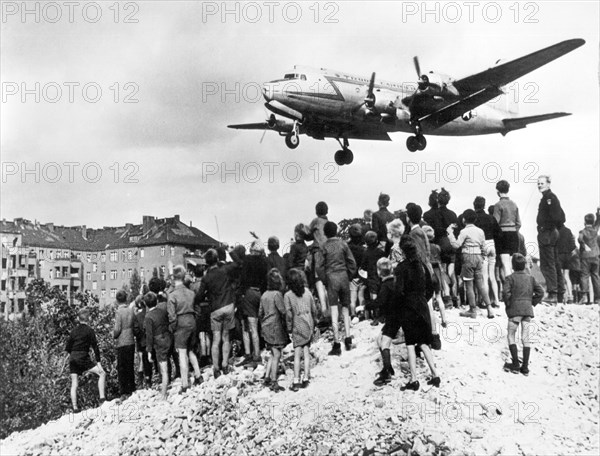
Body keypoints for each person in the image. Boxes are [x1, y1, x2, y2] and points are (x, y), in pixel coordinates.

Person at [395, 236, 439, 391]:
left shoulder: (401, 268)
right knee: (424, 342)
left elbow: (399, 291)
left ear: (402, 251)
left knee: (410, 343)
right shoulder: (422, 266)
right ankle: (435, 375)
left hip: (408, 306)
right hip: (422, 305)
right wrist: (422, 299)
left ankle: (413, 379)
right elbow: (431, 287)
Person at [196, 248, 239, 379]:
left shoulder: (206, 278)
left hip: (215, 309)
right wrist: (229, 250)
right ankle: (225, 364)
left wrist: (203, 300)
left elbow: (198, 296)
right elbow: (238, 263)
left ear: (206, 262)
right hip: (228, 305)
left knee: (216, 339)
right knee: (226, 338)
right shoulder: (225, 270)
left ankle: (216, 368)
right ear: (217, 259)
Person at [315, 221, 357, 354]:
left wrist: (325, 279)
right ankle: (348, 338)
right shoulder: (343, 244)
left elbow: (319, 266)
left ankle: (337, 343)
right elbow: (352, 262)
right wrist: (349, 275)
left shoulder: (323, 246)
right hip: (343, 276)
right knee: (345, 308)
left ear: (325, 233)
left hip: (331, 278)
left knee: (334, 309)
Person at [447, 210, 494, 319]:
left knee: (469, 285)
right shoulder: (480, 231)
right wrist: (482, 257)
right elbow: (483, 246)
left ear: (464, 219)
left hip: (468, 257)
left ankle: (472, 310)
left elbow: (456, 245)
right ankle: (489, 308)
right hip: (478, 257)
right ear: (475, 219)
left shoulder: (464, 231)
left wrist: (450, 234)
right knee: (480, 284)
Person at [502, 254, 544, 376]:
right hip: (527, 310)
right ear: (524, 265)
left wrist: (509, 304)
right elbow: (541, 292)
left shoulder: (510, 278)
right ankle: (525, 367)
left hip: (515, 310)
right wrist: (531, 302)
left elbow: (506, 293)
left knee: (511, 335)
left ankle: (515, 364)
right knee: (525, 337)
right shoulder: (530, 278)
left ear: (513, 265)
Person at [168, 265, 202, 392]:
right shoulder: (191, 292)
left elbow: (171, 316)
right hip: (192, 321)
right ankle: (198, 376)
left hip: (180, 323)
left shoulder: (172, 295)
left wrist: (173, 327)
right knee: (191, 350)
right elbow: (198, 309)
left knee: (182, 353)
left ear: (173, 278)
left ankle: (185, 383)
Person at [66, 308, 106, 412]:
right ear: (89, 318)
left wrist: (73, 357)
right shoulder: (90, 330)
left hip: (73, 357)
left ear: (78, 319)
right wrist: (99, 364)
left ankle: (75, 408)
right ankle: (102, 399)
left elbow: (68, 348)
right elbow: (95, 348)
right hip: (83, 356)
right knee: (102, 374)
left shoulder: (73, 331)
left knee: (74, 383)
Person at [285, 269, 318, 391]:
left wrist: (289, 329)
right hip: (308, 322)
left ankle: (296, 379)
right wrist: (315, 322)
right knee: (306, 352)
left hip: (297, 325)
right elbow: (314, 309)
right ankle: (306, 377)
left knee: (297, 354)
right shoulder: (308, 292)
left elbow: (288, 314)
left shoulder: (288, 295)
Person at [238, 240, 269, 366]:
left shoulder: (247, 260)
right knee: (261, 322)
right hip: (260, 293)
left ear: (251, 249)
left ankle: (255, 355)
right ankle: (262, 350)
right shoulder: (264, 262)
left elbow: (243, 278)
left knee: (252, 326)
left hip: (250, 292)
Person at [536, 175, 566, 303]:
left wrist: (546, 227)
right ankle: (559, 293)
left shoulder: (549, 198)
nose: (539, 185)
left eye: (542, 183)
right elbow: (561, 217)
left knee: (548, 264)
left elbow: (558, 217)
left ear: (548, 184)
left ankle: (553, 293)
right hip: (551, 232)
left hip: (547, 233)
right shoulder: (550, 197)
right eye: (538, 183)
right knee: (554, 263)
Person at [259, 269, 289, 392]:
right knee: (277, 354)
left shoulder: (264, 294)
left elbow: (260, 313)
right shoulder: (277, 294)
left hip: (265, 326)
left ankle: (267, 377)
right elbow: (282, 311)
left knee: (272, 352)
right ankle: (274, 381)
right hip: (275, 326)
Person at [373, 258, 399, 386]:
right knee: (380, 339)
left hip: (393, 318)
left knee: (384, 343)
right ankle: (387, 367)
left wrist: (365, 307)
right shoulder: (395, 282)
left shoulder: (385, 286)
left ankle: (386, 373)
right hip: (397, 315)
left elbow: (380, 302)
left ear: (379, 272)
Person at [474, 196, 501, 307]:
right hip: (492, 244)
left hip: (483, 245)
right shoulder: (491, 218)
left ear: (474, 205)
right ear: (484, 205)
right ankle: (497, 300)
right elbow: (499, 233)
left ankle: (486, 302)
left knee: (484, 276)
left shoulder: (475, 218)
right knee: (492, 275)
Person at [144, 291, 172, 399]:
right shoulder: (162, 311)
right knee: (167, 362)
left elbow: (149, 336)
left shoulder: (148, 317)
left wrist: (149, 352)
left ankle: (164, 393)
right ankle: (168, 384)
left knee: (163, 368)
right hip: (168, 337)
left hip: (158, 341)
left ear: (146, 304)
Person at [493, 180, 521, 277]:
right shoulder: (514, 204)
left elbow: (495, 223)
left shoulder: (498, 205)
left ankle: (509, 290)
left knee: (506, 265)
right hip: (513, 235)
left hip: (503, 236)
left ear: (498, 191)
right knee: (512, 265)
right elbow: (519, 223)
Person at [306, 202, 329, 315]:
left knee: (318, 280)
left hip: (318, 253)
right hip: (329, 252)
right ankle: (331, 308)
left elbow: (307, 234)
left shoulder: (316, 221)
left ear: (316, 211)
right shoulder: (328, 223)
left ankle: (324, 309)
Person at [113, 290, 136, 399]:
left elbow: (117, 328)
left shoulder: (119, 312)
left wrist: (114, 335)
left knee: (122, 367)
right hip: (131, 339)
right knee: (130, 365)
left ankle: (124, 391)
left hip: (122, 341)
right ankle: (132, 388)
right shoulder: (131, 310)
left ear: (117, 300)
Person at [578, 213, 600, 304]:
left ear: (584, 222)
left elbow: (579, 239)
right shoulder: (595, 230)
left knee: (584, 276)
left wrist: (584, 245)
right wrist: (598, 214)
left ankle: (584, 297)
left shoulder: (582, 232)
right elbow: (598, 222)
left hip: (586, 256)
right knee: (596, 276)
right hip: (595, 256)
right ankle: (598, 298)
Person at [132, 295, 152, 389]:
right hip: (149, 339)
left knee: (141, 360)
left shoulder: (137, 316)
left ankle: (140, 381)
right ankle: (148, 379)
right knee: (148, 360)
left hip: (141, 341)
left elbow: (135, 331)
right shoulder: (149, 313)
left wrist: (140, 337)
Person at [347, 223, 366, 318]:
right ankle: (362, 313)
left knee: (352, 296)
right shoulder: (364, 248)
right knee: (361, 295)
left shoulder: (347, 247)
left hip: (351, 275)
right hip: (362, 274)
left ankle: (353, 314)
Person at [557, 224, 579, 303]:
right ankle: (570, 297)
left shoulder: (556, 231)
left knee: (559, 276)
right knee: (566, 276)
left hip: (559, 255)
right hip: (567, 256)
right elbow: (573, 247)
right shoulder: (568, 231)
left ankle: (563, 296)